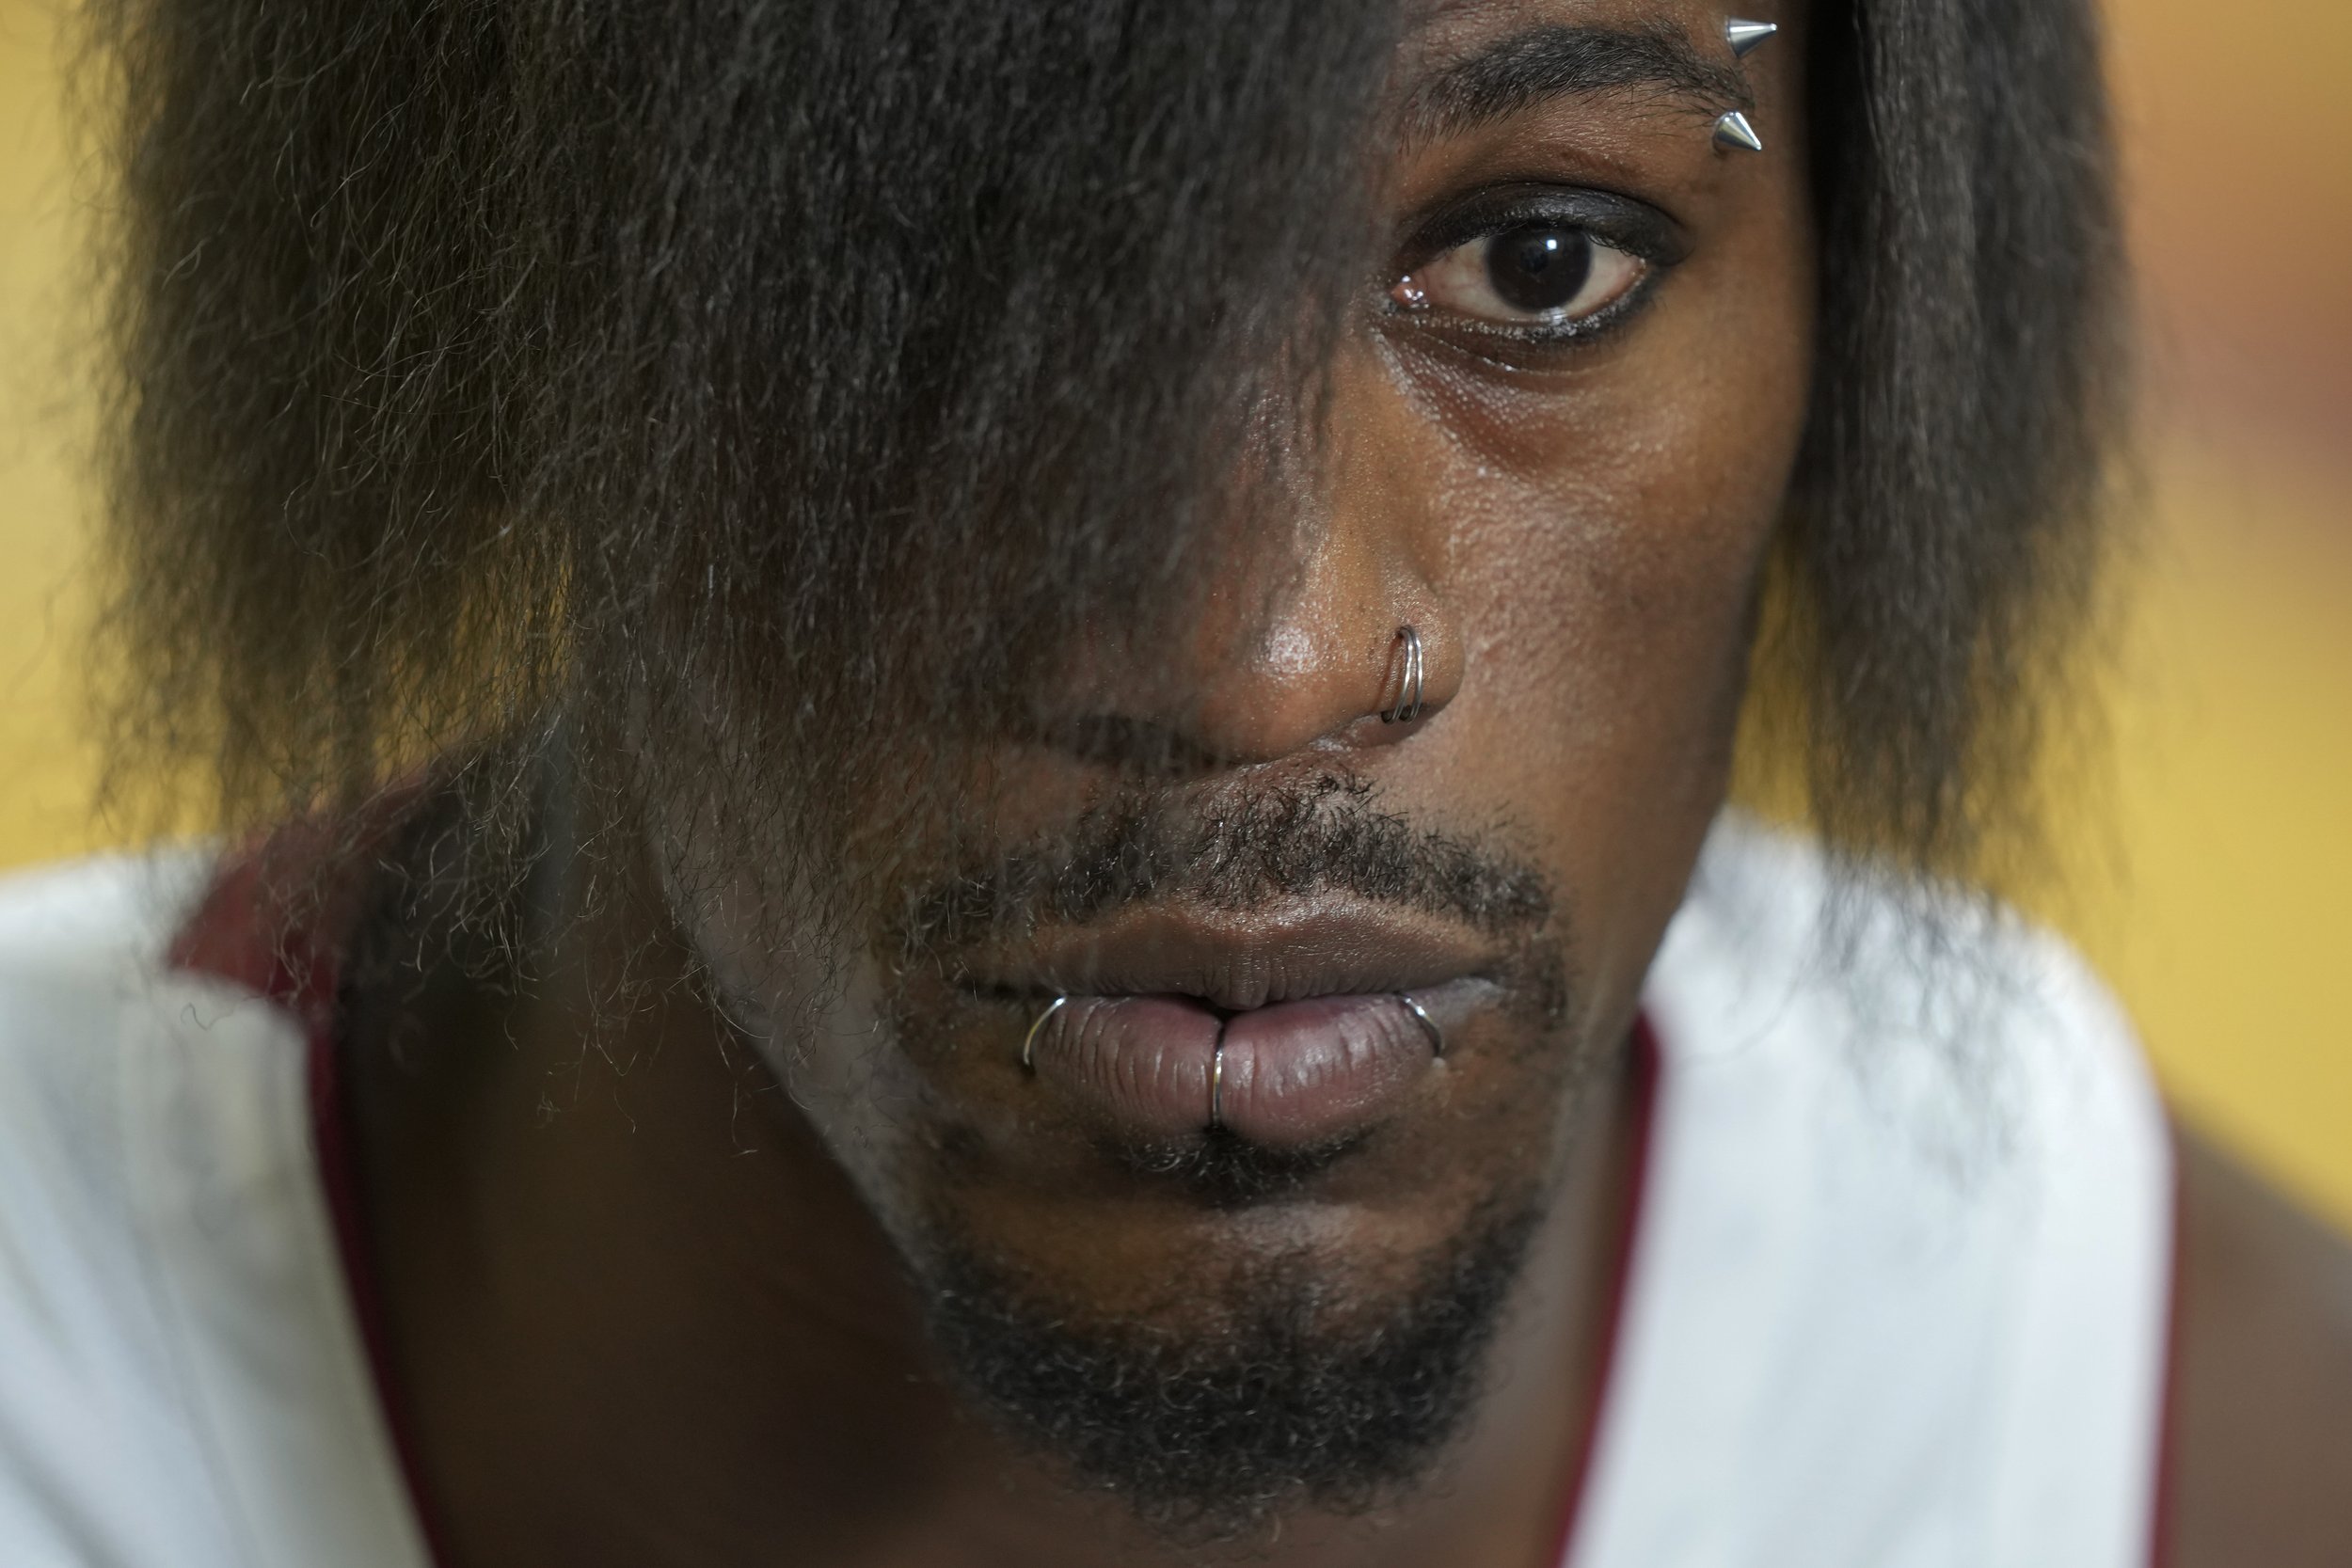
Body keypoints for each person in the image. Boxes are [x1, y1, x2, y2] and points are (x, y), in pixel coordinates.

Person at [1, 0, 2345, 1562]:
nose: (1268, 658)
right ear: (493, 255)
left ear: (1867, 286)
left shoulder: (2152, 1454)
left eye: (1542, 263)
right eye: (948, 286)